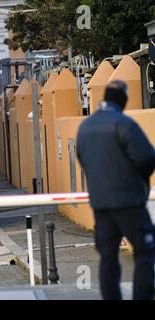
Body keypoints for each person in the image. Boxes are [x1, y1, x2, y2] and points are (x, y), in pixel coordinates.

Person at [77, 80, 155, 300]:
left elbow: (83, 160)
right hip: (129, 201)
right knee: (145, 251)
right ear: (123, 99)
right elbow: (146, 158)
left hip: (101, 203)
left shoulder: (85, 127)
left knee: (108, 257)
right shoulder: (124, 124)